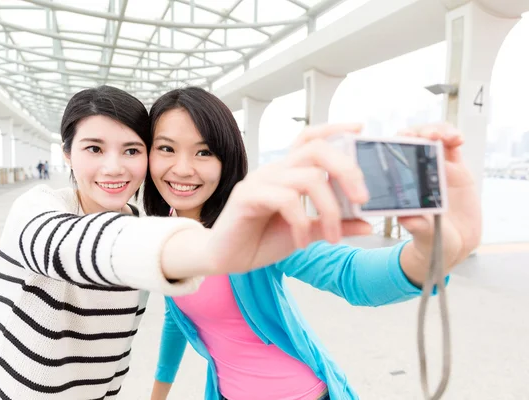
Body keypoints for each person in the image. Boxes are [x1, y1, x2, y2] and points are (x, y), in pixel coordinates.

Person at [0, 85, 370, 400]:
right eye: (94, 148)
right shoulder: (36, 211)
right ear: (66, 153)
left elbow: (172, 308)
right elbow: (75, 246)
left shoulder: (145, 227)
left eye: (131, 150)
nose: (113, 166)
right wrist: (214, 250)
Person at [144, 87, 481, 400]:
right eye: (166, 148)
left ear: (226, 158)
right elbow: (177, 316)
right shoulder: (166, 233)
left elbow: (351, 275)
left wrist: (430, 255)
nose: (183, 168)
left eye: (204, 151)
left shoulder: (253, 227)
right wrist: (158, 394)